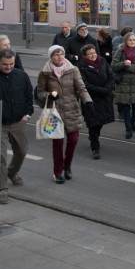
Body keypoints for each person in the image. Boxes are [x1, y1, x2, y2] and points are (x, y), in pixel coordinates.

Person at [37, 46, 93, 184]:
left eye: (61, 54)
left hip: (72, 109)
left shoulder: (73, 70)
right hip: (55, 112)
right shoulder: (45, 73)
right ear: (51, 57)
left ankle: (67, 165)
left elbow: (81, 88)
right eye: (56, 55)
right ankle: (58, 171)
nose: (60, 57)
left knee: (73, 139)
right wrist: (49, 96)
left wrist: (87, 101)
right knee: (58, 143)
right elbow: (39, 93)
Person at [0, 49, 33, 204]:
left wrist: (28, 113)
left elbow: (29, 95)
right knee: (1, 158)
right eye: (5, 64)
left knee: (21, 151)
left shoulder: (21, 75)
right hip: (0, 124)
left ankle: (11, 173)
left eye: (11, 64)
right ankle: (2, 189)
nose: (8, 67)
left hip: (18, 121)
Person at [77, 44, 115, 160]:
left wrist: (108, 89)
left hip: (105, 97)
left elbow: (111, 77)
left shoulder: (102, 61)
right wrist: (100, 90)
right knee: (93, 123)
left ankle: (94, 137)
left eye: (94, 52)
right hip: (91, 99)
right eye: (90, 54)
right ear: (85, 56)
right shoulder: (80, 67)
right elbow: (84, 84)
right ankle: (95, 147)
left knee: (101, 121)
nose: (93, 55)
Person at [111, 32, 135, 139]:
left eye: (134, 40)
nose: (132, 42)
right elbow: (113, 65)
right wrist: (123, 64)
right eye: (130, 40)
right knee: (126, 108)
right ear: (126, 41)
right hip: (123, 83)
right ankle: (128, 129)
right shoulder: (120, 50)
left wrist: (129, 66)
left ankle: (132, 121)